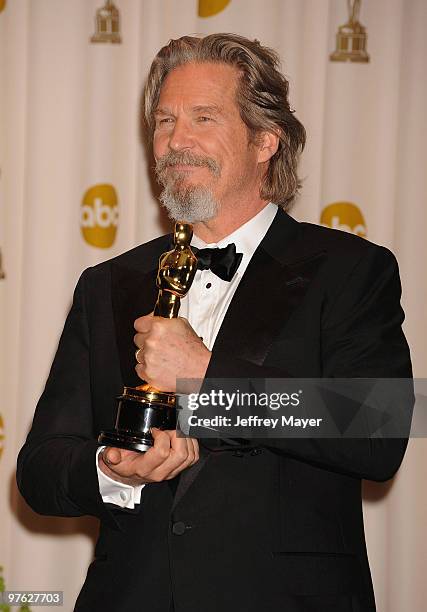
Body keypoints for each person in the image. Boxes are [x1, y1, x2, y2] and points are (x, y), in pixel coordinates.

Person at [17, 33, 413, 612]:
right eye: (165, 120)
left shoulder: (350, 270)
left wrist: (208, 377)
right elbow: (40, 470)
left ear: (266, 140)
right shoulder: (106, 284)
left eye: (204, 117)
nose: (177, 140)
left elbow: (379, 428)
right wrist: (112, 470)